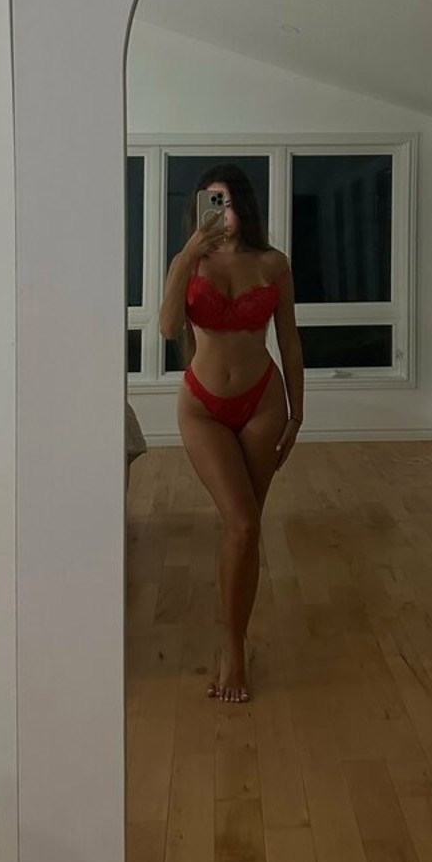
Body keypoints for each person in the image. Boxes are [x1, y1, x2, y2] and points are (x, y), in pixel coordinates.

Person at [158, 163, 304, 702]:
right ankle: (232, 647)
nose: (223, 212)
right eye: (211, 201)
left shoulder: (274, 264)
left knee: (246, 531)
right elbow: (168, 328)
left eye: (229, 200)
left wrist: (297, 414)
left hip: (263, 402)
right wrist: (185, 257)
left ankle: (234, 645)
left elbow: (289, 339)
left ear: (245, 204)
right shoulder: (189, 262)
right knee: (241, 522)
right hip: (203, 407)